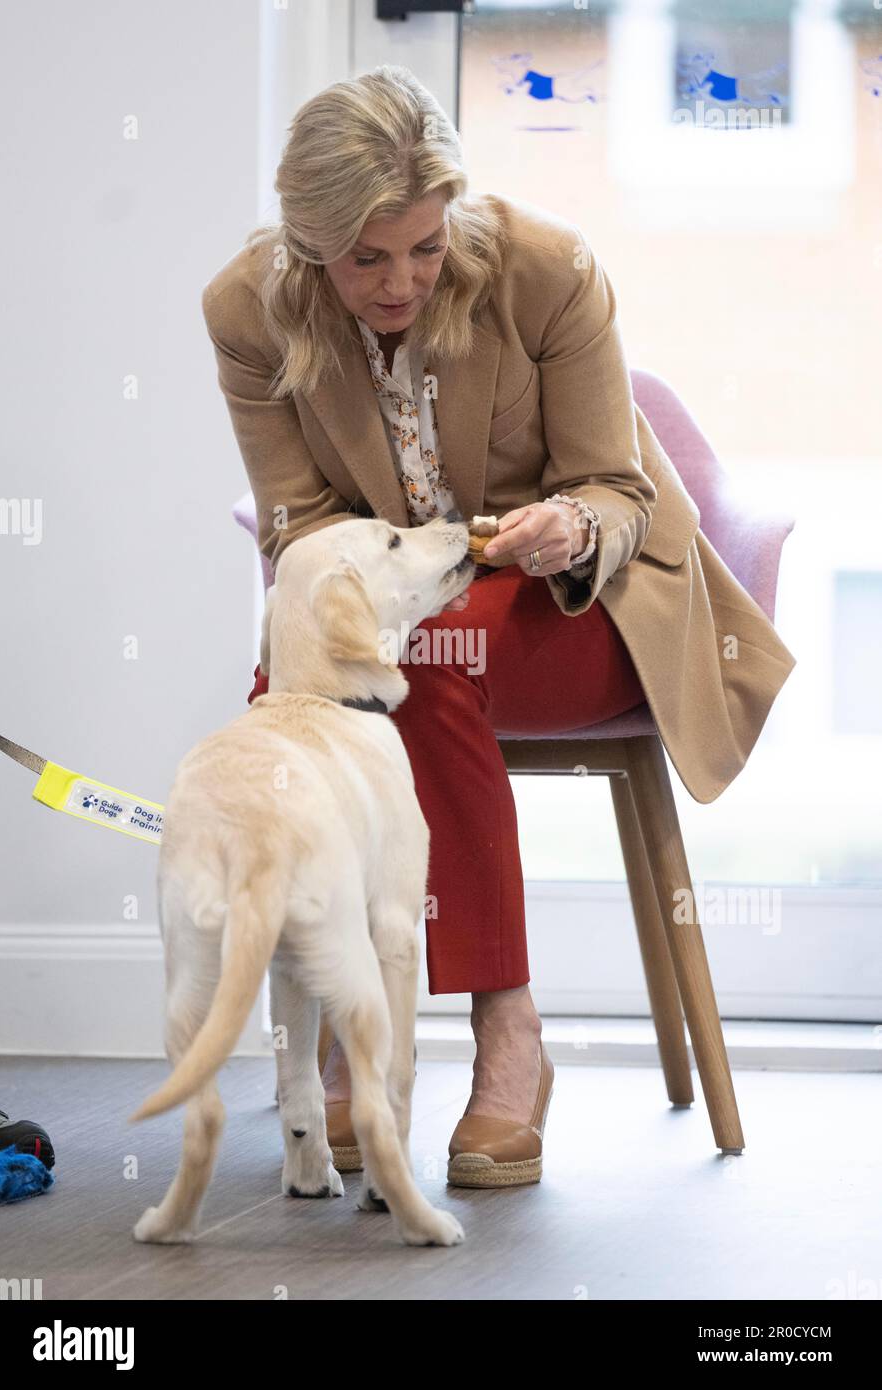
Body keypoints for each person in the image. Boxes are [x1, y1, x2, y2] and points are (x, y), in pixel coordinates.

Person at [202, 65, 795, 1187]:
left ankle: (497, 1033)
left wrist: (568, 526)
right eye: (365, 258)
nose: (401, 281)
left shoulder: (545, 268)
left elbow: (619, 488)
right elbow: (302, 523)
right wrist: (385, 592)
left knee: (408, 668)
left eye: (423, 247)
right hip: (407, 622)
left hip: (581, 604)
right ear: (305, 239)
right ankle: (364, 1012)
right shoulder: (246, 309)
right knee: (357, 681)